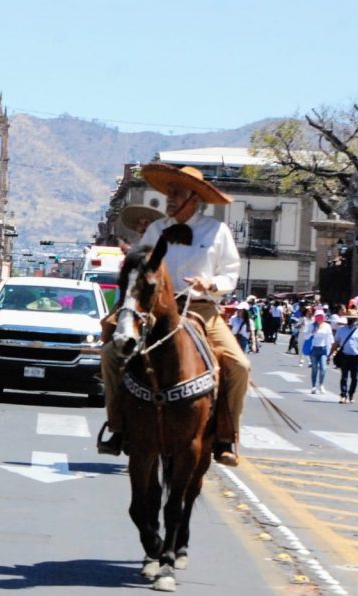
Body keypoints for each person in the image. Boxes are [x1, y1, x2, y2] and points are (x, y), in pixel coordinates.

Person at [97, 163, 249, 467]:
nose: (170, 198)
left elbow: (231, 274)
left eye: (177, 193)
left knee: (239, 365)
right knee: (110, 354)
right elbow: (140, 267)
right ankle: (117, 426)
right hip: (157, 310)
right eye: (169, 193)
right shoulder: (156, 230)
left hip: (201, 309)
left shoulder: (217, 231)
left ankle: (226, 436)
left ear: (195, 198)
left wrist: (211, 284)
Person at [328, 308, 358, 403]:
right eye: (349, 318)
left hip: (356, 356)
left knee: (355, 378)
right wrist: (330, 354)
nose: (351, 320)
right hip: (344, 355)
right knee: (344, 377)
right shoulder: (341, 330)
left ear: (356, 320)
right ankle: (343, 395)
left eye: (352, 318)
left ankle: (351, 394)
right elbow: (336, 343)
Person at [308, 312, 334, 393]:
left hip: (323, 349)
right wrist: (312, 333)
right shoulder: (312, 325)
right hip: (314, 349)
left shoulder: (327, 326)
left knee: (323, 368)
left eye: (321, 316)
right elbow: (306, 337)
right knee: (314, 368)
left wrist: (331, 351)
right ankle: (313, 386)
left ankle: (321, 385)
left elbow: (330, 338)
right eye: (318, 316)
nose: (319, 318)